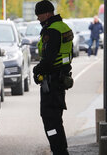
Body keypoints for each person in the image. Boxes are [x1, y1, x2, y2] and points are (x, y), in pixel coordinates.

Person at [33, 0, 74, 155]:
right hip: (61, 79)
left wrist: (37, 70)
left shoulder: (51, 31)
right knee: (56, 118)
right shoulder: (63, 27)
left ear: (47, 13)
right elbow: (66, 55)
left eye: (39, 15)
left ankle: (58, 150)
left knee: (49, 120)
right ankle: (61, 149)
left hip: (51, 82)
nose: (38, 18)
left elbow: (49, 59)